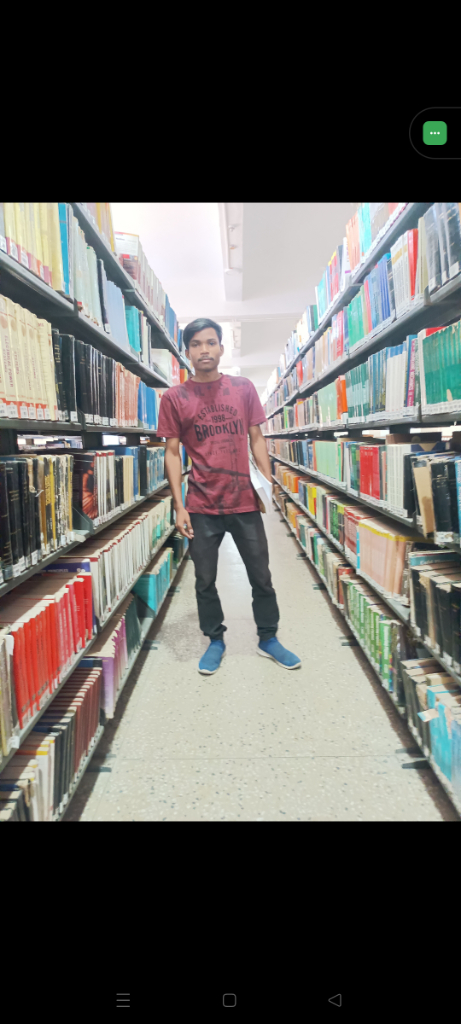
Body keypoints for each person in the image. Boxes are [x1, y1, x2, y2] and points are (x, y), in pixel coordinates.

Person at [157, 318, 301, 676]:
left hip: (245, 501)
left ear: (221, 348)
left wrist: (267, 483)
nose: (204, 350)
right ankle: (215, 640)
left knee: (261, 576)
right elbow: (172, 453)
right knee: (204, 579)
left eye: (210, 342)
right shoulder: (175, 398)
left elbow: (257, 438)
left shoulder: (243, 388)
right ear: (186, 351)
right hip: (201, 505)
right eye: (195, 344)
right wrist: (178, 505)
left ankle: (268, 638)